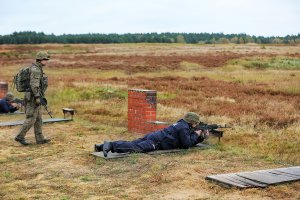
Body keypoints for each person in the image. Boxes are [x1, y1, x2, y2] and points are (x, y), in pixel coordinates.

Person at [94, 112, 207, 157]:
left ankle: (102, 146)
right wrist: (197, 135)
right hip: (156, 142)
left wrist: (199, 138)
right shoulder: (184, 128)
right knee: (135, 148)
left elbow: (187, 140)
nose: (196, 125)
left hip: (154, 136)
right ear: (192, 122)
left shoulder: (181, 124)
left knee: (132, 143)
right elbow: (186, 144)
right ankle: (110, 145)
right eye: (196, 123)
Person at [15, 51, 51, 146]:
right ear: (40, 59)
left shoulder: (37, 68)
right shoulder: (36, 70)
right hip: (32, 97)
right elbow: (34, 85)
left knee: (38, 118)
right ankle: (20, 136)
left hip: (34, 96)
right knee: (31, 118)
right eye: (45, 59)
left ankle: (40, 138)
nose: (47, 61)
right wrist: (38, 97)